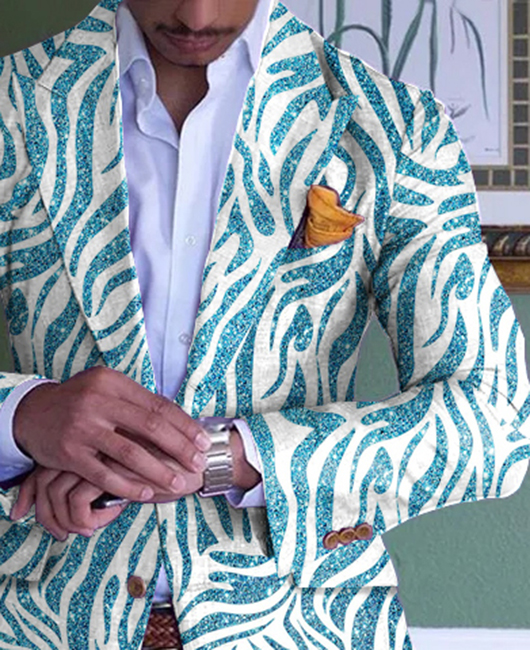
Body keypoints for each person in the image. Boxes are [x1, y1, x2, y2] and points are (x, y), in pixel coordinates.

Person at [0, 0, 529, 648]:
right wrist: (25, 418)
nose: (196, 15)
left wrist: (230, 458)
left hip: (308, 628)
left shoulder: (395, 127)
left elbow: (493, 415)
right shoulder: (14, 102)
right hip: (38, 621)